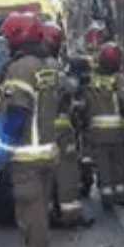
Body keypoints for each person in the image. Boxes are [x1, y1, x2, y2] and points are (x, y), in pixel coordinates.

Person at [0, 11, 59, 247]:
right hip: (47, 151)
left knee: (31, 218)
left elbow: (17, 111)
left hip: (27, 156)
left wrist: (2, 149)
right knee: (40, 215)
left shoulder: (20, 68)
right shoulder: (48, 65)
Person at [41, 21, 90, 228]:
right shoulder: (52, 66)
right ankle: (71, 216)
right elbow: (71, 87)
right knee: (67, 173)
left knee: (46, 173)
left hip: (40, 131)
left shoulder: (29, 64)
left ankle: (49, 212)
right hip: (61, 130)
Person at [83, 42, 124, 210]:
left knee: (103, 165)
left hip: (97, 134)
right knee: (120, 163)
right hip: (119, 133)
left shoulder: (90, 80)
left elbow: (84, 104)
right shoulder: (120, 79)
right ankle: (121, 194)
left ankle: (106, 196)